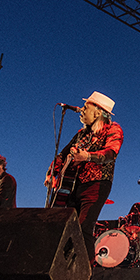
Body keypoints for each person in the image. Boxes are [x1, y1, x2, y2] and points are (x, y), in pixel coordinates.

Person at [45, 91, 124, 262]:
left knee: (83, 229)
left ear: (97, 111)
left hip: (96, 184)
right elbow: (61, 156)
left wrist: (88, 156)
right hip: (73, 186)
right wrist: (52, 173)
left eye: (85, 107)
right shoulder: (82, 133)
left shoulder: (113, 129)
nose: (81, 110)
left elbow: (111, 153)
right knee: (66, 227)